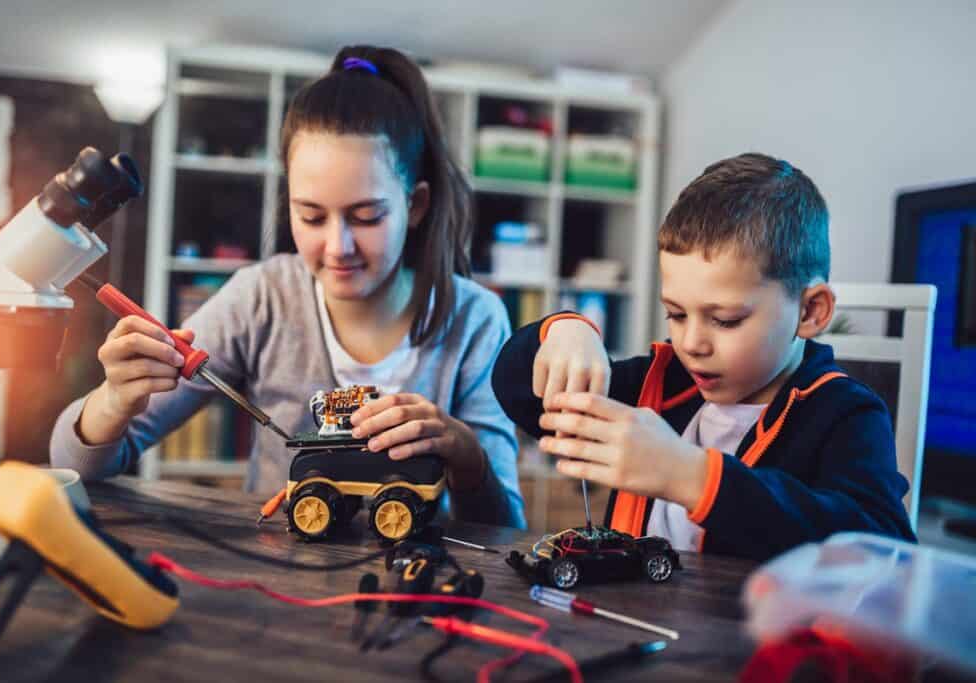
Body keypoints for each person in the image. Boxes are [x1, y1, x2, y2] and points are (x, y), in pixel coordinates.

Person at [51, 45, 525, 529]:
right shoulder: (260, 298)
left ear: (416, 206)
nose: (338, 246)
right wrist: (113, 400)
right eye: (311, 216)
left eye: (367, 216)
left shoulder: (476, 319)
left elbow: (506, 524)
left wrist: (466, 453)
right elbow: (73, 466)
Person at [491, 153, 914, 559]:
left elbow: (882, 548)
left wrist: (693, 478)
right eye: (675, 314)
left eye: (726, 320)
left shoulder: (845, 414)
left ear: (809, 311)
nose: (691, 343)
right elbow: (520, 395)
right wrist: (565, 330)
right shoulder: (659, 383)